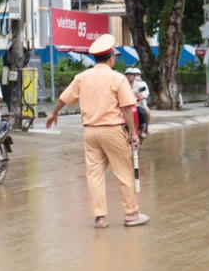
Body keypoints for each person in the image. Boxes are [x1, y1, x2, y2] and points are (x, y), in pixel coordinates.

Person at [44, 35, 148, 228]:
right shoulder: (117, 78)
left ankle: (100, 218)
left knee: (95, 175)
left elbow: (64, 98)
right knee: (123, 171)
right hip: (112, 130)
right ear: (111, 58)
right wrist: (134, 134)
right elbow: (127, 108)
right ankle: (131, 214)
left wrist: (54, 113)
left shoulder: (82, 77)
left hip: (90, 132)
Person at [125, 67, 149, 138]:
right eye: (128, 75)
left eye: (131, 75)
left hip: (136, 105)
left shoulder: (139, 85)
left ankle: (142, 131)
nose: (129, 76)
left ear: (134, 76)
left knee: (143, 113)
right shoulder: (123, 84)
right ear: (125, 76)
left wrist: (142, 97)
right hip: (125, 105)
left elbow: (144, 93)